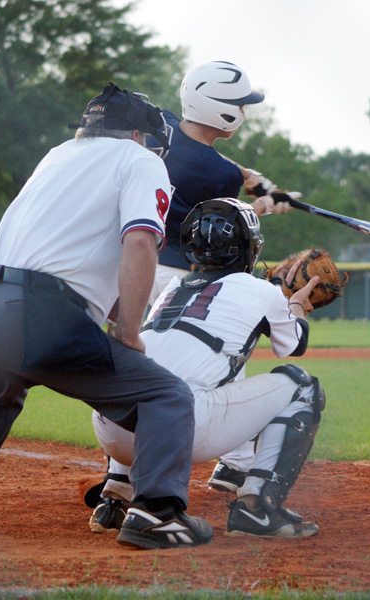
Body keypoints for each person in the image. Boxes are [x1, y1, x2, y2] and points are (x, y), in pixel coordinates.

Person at [0, 83, 213, 549]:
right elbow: (139, 243)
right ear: (136, 135)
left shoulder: (58, 155)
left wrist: (114, 316)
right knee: (166, 396)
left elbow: (84, 256)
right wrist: (129, 331)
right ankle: (156, 514)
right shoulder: (139, 160)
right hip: (36, 313)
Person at [89, 198, 325, 540]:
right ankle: (257, 507)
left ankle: (115, 496)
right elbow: (293, 345)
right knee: (302, 386)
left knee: (150, 374)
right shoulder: (261, 290)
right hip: (180, 430)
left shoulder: (172, 288)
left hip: (111, 428)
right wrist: (295, 305)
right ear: (248, 248)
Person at [145, 60, 295, 489]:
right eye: (239, 105)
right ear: (220, 110)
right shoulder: (219, 174)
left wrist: (252, 176)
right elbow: (226, 221)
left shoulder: (163, 125)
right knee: (226, 356)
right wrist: (267, 204)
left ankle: (122, 472)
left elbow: (196, 150)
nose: (243, 112)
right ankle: (236, 464)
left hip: (137, 266)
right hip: (184, 276)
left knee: (146, 362)